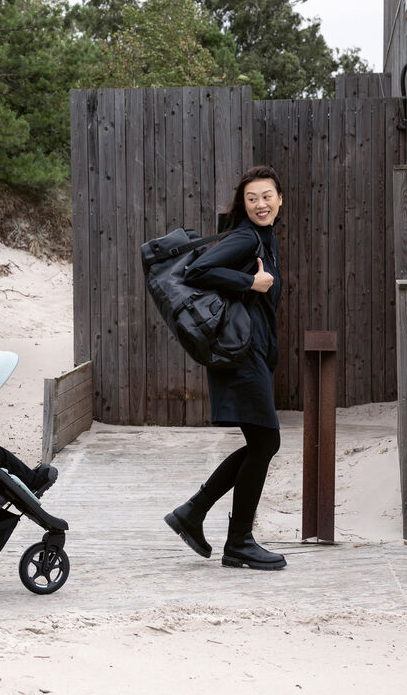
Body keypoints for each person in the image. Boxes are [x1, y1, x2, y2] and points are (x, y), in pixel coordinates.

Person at [163, 164, 287, 570]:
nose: (260, 204)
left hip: (252, 351)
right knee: (265, 442)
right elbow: (198, 270)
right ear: (243, 204)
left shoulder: (265, 238)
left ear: (280, 200)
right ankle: (237, 541)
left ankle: (194, 514)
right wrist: (250, 282)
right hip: (241, 352)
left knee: (263, 443)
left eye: (266, 196)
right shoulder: (246, 237)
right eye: (252, 199)